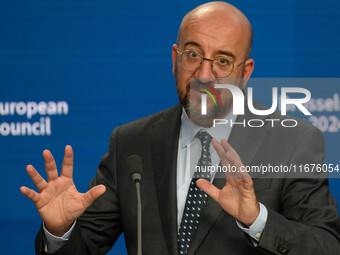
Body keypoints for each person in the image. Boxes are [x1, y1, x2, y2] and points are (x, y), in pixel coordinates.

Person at [21, 2, 340, 254]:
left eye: (223, 61)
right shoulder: (131, 142)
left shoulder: (293, 140)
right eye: (193, 55)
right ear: (175, 58)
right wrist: (60, 232)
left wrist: (257, 219)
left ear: (245, 72)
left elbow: (327, 246)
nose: (204, 74)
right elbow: (83, 247)